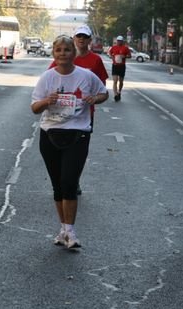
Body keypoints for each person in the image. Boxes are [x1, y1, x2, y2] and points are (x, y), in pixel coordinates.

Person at [31, 35, 108, 249]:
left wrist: (95, 99)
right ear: (53, 54)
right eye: (59, 50)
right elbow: (34, 108)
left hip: (77, 134)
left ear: (73, 53)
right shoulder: (47, 78)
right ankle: (63, 229)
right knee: (58, 186)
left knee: (69, 182)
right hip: (50, 135)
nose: (63, 54)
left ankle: (71, 231)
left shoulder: (87, 76)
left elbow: (104, 93)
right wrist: (47, 101)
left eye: (67, 50)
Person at [49, 25, 108, 195]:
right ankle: (64, 180)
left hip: (84, 115)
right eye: (78, 36)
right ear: (74, 39)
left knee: (78, 152)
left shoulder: (95, 60)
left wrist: (94, 98)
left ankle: (73, 180)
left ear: (90, 40)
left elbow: (102, 88)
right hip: (60, 113)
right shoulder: (64, 57)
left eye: (85, 37)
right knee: (59, 150)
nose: (81, 39)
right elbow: (49, 79)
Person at [108, 35, 131, 102]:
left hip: (122, 66)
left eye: (120, 41)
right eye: (118, 41)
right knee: (115, 81)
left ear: (122, 41)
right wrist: (112, 57)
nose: (119, 42)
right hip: (115, 66)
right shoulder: (114, 47)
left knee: (121, 81)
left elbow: (129, 55)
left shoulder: (125, 48)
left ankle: (119, 91)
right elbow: (109, 53)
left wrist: (124, 56)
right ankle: (115, 94)